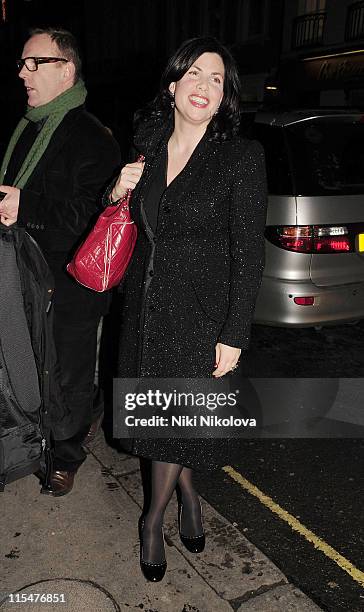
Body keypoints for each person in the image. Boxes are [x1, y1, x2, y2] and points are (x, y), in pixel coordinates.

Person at [107, 36, 267, 581]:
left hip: (200, 319)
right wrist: (117, 188)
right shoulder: (147, 144)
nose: (204, 86)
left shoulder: (240, 158)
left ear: (225, 98)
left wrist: (235, 332)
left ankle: (151, 521)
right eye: (195, 74)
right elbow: (133, 223)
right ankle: (190, 498)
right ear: (173, 85)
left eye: (216, 80)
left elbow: (249, 253)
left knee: (176, 424)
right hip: (144, 311)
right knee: (162, 424)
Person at [0, 27, 121, 495]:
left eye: (35, 64)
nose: (23, 73)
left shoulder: (92, 137)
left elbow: (95, 214)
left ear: (65, 70)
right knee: (29, 367)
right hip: (22, 276)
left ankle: (66, 454)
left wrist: (24, 205)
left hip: (72, 281)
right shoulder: (25, 129)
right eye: (21, 64)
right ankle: (35, 441)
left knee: (67, 372)